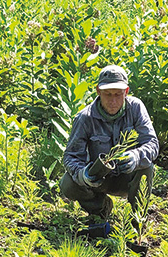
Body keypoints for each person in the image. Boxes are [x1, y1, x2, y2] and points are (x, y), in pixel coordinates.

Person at [60, 65, 159, 219]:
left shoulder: (136, 108)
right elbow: (70, 156)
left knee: (147, 167)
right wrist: (84, 175)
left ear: (126, 92)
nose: (113, 101)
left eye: (118, 95)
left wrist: (135, 156)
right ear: (98, 91)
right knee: (68, 183)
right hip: (98, 180)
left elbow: (152, 143)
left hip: (127, 176)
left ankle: (137, 221)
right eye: (108, 94)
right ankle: (100, 209)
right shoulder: (85, 118)